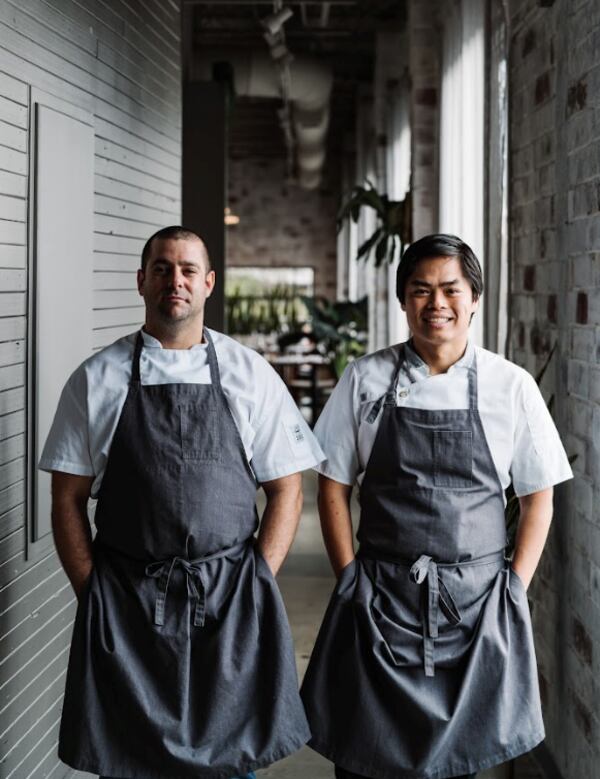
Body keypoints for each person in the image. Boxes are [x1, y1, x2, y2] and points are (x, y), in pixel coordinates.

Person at [40, 226, 325, 779]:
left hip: (229, 607)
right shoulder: (95, 379)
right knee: (129, 764)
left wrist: (253, 584)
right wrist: (94, 592)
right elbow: (67, 498)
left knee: (230, 764)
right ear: (141, 280)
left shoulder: (250, 375)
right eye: (163, 268)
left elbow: (287, 488)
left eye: (189, 270)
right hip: (127, 606)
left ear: (209, 283)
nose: (176, 280)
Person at [300, 234, 573, 779]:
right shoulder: (365, 379)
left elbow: (538, 496)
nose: (436, 303)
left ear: (473, 297)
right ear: (404, 301)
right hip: (381, 599)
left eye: (450, 289)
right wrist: (350, 577)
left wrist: (512, 587)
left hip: (474, 608)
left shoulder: (510, 386)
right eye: (420, 290)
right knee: (365, 756)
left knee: (459, 764)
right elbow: (332, 485)